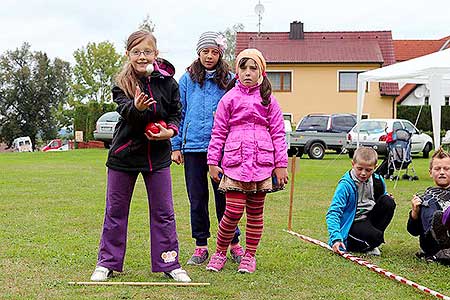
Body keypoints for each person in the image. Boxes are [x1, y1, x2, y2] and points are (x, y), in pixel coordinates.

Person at [90, 30, 190, 282]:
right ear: (128, 54)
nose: (142, 56)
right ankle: (107, 262)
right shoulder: (121, 83)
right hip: (124, 156)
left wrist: (170, 131)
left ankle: (169, 262)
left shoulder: (169, 83)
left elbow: (176, 113)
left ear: (156, 54)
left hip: (157, 158)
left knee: (164, 212)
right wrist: (137, 107)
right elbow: (126, 113)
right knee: (115, 211)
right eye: (136, 52)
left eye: (147, 51)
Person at [205, 49, 289, 274]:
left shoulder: (269, 99)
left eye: (253, 68)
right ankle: (220, 252)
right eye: (243, 68)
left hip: (262, 164)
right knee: (232, 211)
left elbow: (279, 133)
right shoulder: (229, 99)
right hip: (235, 163)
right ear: (237, 71)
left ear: (261, 71)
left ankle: (249, 256)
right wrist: (213, 161)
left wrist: (281, 165)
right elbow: (218, 132)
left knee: (255, 213)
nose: (248, 73)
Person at [171, 31, 243, 265]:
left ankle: (232, 243)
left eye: (214, 51)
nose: (209, 56)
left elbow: (237, 113)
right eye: (205, 51)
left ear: (220, 53)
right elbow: (178, 113)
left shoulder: (230, 79)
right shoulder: (187, 80)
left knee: (225, 198)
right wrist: (175, 146)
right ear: (198, 53)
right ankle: (200, 245)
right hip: (192, 148)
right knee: (197, 199)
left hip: (221, 150)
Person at [326, 147, 396, 256]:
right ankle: (366, 242)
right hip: (353, 223)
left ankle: (371, 241)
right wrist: (336, 238)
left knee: (388, 202)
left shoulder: (378, 180)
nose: (363, 173)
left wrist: (387, 197)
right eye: (359, 168)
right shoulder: (345, 185)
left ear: (375, 167)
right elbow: (333, 213)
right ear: (353, 164)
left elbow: (381, 200)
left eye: (368, 170)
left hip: (369, 218)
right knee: (375, 237)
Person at [407, 147, 450, 263]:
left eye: (446, 169)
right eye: (437, 169)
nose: (442, 172)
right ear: (430, 172)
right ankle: (440, 240)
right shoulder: (424, 197)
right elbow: (413, 231)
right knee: (428, 203)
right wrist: (414, 213)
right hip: (432, 243)